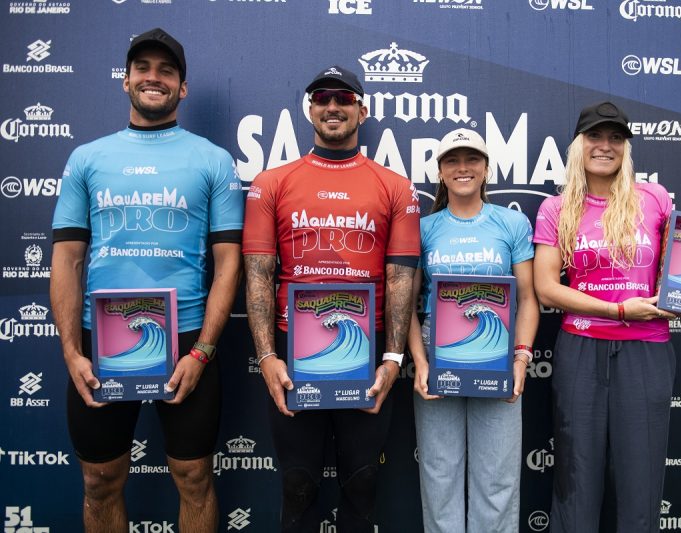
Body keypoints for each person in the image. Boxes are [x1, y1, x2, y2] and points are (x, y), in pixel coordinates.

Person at [50, 28, 243, 533]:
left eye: (166, 70)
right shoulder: (87, 158)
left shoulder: (213, 160)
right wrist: (72, 351)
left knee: (194, 478)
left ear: (183, 87)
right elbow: (67, 259)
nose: (153, 78)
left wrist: (202, 351)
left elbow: (229, 264)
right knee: (99, 480)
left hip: (187, 339)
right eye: (143, 68)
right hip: (101, 340)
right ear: (126, 80)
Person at [532, 101, 681, 532]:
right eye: (595, 136)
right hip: (581, 349)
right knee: (576, 482)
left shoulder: (654, 198)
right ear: (579, 145)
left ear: (626, 147)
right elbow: (546, 288)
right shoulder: (556, 209)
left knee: (641, 484)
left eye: (616, 137)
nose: (605, 145)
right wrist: (617, 310)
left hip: (646, 352)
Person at [242, 65, 420, 532]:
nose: (333, 107)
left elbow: (401, 278)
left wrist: (393, 359)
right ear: (310, 109)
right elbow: (258, 274)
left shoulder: (395, 186)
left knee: (362, 486)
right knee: (298, 485)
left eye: (344, 98)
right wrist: (266, 357)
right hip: (292, 349)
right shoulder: (271, 182)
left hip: (368, 349)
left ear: (363, 110)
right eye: (322, 98)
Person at [407, 128, 539, 532]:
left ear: (486, 169)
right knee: (439, 475)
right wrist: (420, 362)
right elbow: (406, 306)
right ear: (440, 172)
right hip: (437, 352)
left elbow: (528, 299)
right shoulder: (424, 228)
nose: (462, 168)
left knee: (497, 478)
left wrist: (521, 359)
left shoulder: (512, 223)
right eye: (452, 161)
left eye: (472, 160)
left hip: (497, 353)